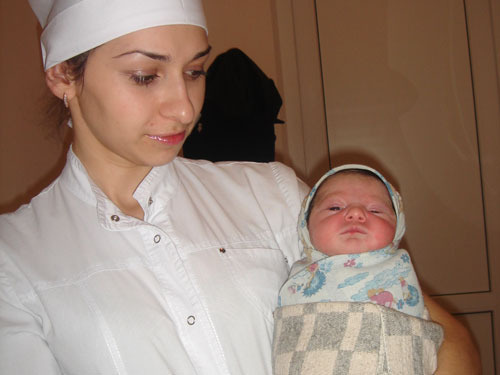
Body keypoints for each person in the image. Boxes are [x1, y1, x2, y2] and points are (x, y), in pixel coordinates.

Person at [0, 1, 479, 374]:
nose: (185, 109)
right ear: (64, 75)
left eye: (194, 72)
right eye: (145, 76)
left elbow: (440, 338)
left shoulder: (271, 193)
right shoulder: (14, 260)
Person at [273, 164, 443, 374]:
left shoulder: (399, 272)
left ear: (397, 227)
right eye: (335, 207)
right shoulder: (299, 277)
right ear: (305, 226)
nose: (355, 213)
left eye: (375, 210)